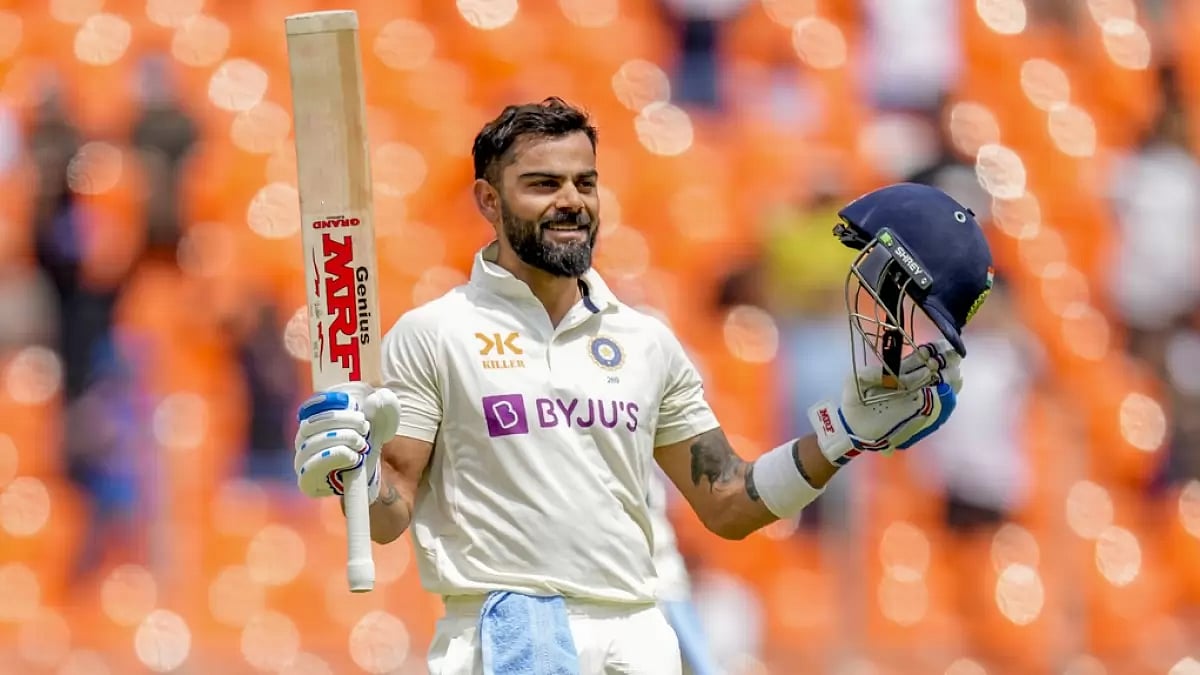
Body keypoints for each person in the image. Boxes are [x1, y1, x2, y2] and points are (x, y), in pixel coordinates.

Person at [291, 98, 994, 674]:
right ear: (487, 198)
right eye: (543, 184)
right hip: (509, 638)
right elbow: (390, 513)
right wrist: (349, 470)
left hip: (638, 637)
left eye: (584, 182)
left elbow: (728, 501)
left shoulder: (645, 340)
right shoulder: (434, 333)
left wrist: (838, 437)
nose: (570, 201)